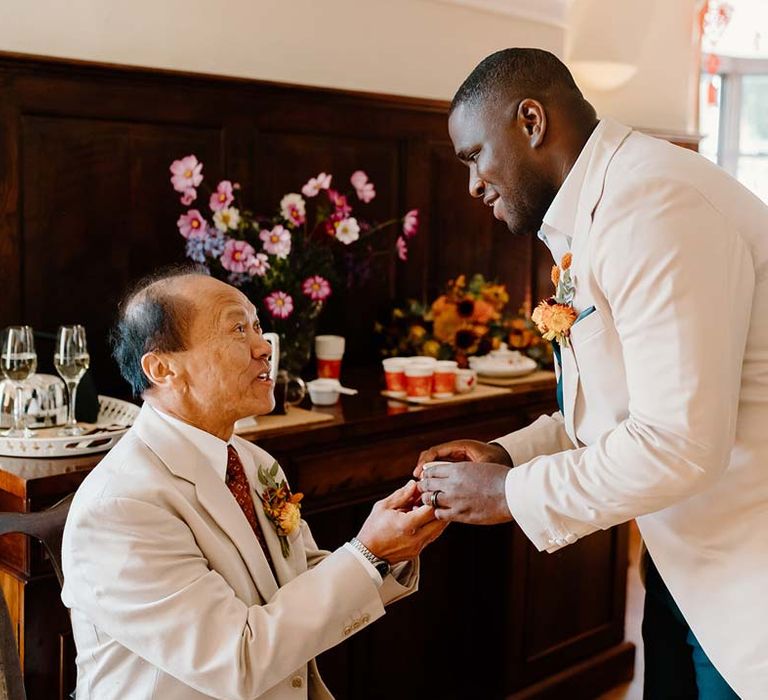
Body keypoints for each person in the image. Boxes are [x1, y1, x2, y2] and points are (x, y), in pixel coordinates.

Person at [415, 48, 768, 698]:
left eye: (474, 156)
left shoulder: (654, 206)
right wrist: (507, 455)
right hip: (683, 560)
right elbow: (618, 406)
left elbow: (678, 443)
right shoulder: (601, 210)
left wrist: (509, 494)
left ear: (530, 121)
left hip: (749, 567)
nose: (472, 185)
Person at [62, 267, 445, 700]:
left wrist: (384, 553)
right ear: (163, 367)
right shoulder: (120, 507)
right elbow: (234, 660)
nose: (264, 347)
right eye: (237, 329)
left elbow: (294, 583)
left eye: (258, 326)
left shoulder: (253, 461)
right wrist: (367, 552)